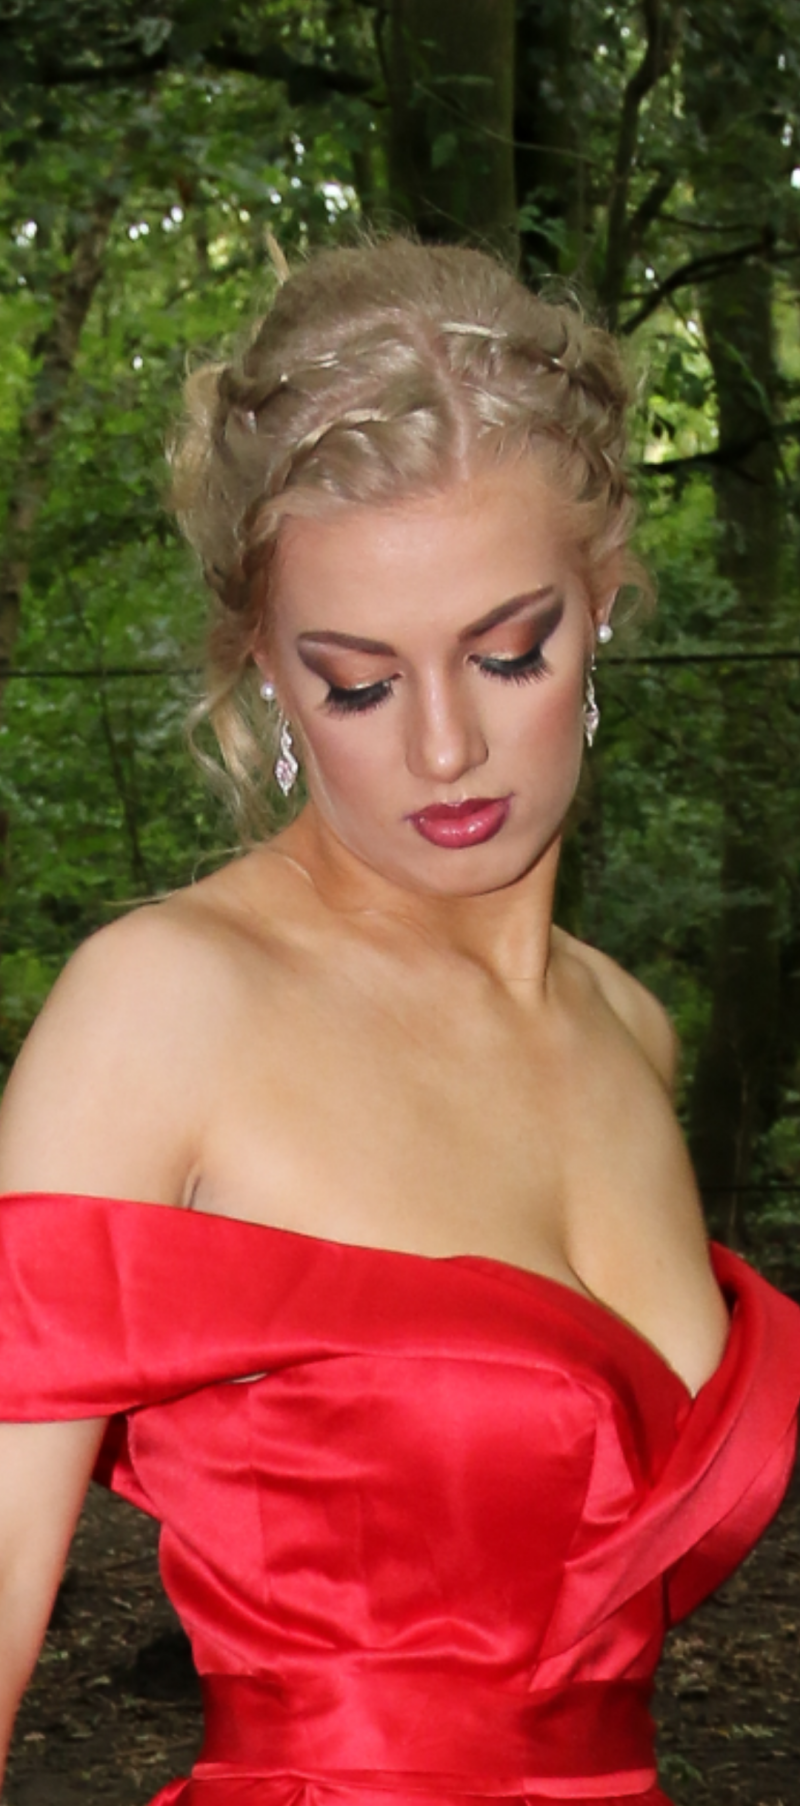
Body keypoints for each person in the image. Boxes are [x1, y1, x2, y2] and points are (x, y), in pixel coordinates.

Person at [0, 236, 798, 1806]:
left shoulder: (628, 1031)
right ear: (265, 672)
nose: (445, 747)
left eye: (510, 651)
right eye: (358, 684)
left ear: (602, 600)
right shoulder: (164, 1008)